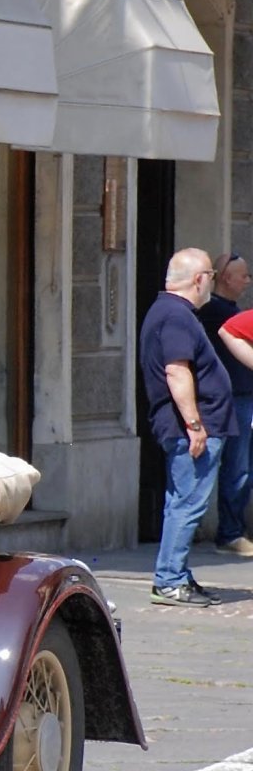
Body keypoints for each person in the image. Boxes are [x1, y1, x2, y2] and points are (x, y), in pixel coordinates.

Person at [142, 249, 237, 607]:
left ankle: (176, 573)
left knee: (180, 503)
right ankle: (168, 580)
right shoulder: (176, 316)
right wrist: (195, 425)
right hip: (193, 429)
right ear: (200, 279)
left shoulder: (169, 312)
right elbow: (176, 370)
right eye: (211, 275)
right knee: (188, 505)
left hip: (190, 427)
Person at [198, 253, 253, 556]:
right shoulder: (216, 312)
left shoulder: (228, 310)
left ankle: (233, 530)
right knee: (237, 469)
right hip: (233, 398)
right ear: (226, 278)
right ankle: (230, 533)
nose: (247, 281)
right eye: (243, 275)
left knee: (242, 468)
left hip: (243, 396)